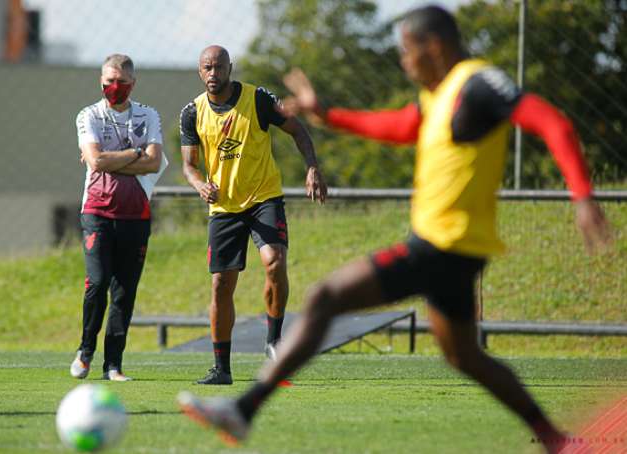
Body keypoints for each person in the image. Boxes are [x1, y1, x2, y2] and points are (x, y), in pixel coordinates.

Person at [177, 6, 611, 453]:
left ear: (434, 47)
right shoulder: (440, 95)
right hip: (452, 249)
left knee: (326, 298)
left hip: (442, 246)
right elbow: (402, 125)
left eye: (406, 51)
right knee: (466, 356)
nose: (403, 62)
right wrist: (329, 113)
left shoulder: (479, 83)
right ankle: (558, 440)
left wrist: (581, 195)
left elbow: (551, 121)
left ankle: (243, 410)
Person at [180, 45, 328, 385]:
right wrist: (200, 184)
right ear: (200, 71)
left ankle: (274, 345)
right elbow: (189, 166)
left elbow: (298, 130)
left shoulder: (258, 99)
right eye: (207, 67)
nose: (213, 73)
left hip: (264, 197)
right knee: (221, 285)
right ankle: (222, 368)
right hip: (223, 207)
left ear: (230, 67)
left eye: (219, 66)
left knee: (274, 261)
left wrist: (312, 168)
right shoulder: (192, 113)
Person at [70, 54, 168, 382]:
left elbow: (154, 164)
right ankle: (85, 350)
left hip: (136, 213)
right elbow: (96, 162)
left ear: (133, 84)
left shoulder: (148, 115)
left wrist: (112, 159)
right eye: (109, 81)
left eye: (121, 82)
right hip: (96, 211)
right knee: (97, 283)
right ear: (101, 82)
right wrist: (134, 154)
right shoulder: (89, 115)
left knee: (124, 292)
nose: (115, 88)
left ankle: (113, 364)